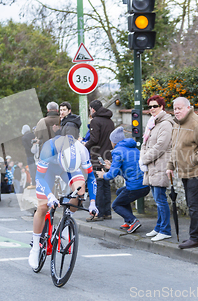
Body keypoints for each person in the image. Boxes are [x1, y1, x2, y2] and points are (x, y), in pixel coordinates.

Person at [28, 135, 98, 269]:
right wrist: (49, 196)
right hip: (48, 171)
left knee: (80, 191)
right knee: (42, 206)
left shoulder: (82, 150)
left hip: (68, 169)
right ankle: (36, 248)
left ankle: (66, 221)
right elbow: (39, 177)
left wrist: (93, 202)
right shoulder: (49, 148)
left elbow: (91, 177)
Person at [166, 97, 198, 249]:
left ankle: (196, 237)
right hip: (186, 171)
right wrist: (170, 166)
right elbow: (175, 148)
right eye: (175, 108)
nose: (176, 111)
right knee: (194, 204)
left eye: (179, 108)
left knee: (194, 205)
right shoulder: (177, 124)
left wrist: (191, 161)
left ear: (188, 108)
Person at [96, 127, 150, 234]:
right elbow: (126, 171)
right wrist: (111, 166)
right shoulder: (134, 149)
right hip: (145, 185)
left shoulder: (117, 151)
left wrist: (103, 175)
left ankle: (133, 221)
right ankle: (128, 220)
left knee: (116, 205)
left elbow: (111, 175)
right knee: (120, 193)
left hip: (135, 187)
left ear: (114, 142)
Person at [139, 95, 174, 241]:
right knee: (157, 198)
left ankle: (165, 230)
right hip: (152, 166)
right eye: (150, 106)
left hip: (160, 165)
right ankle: (159, 227)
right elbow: (145, 143)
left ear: (162, 107)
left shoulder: (165, 123)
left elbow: (161, 146)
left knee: (160, 199)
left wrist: (144, 159)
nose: (152, 109)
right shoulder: (153, 123)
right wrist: (142, 159)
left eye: (155, 106)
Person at [85, 99, 115, 222]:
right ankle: (107, 212)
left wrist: (84, 145)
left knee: (97, 185)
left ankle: (98, 213)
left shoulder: (95, 121)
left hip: (97, 156)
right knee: (106, 184)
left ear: (92, 109)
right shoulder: (110, 121)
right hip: (107, 156)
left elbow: (94, 139)